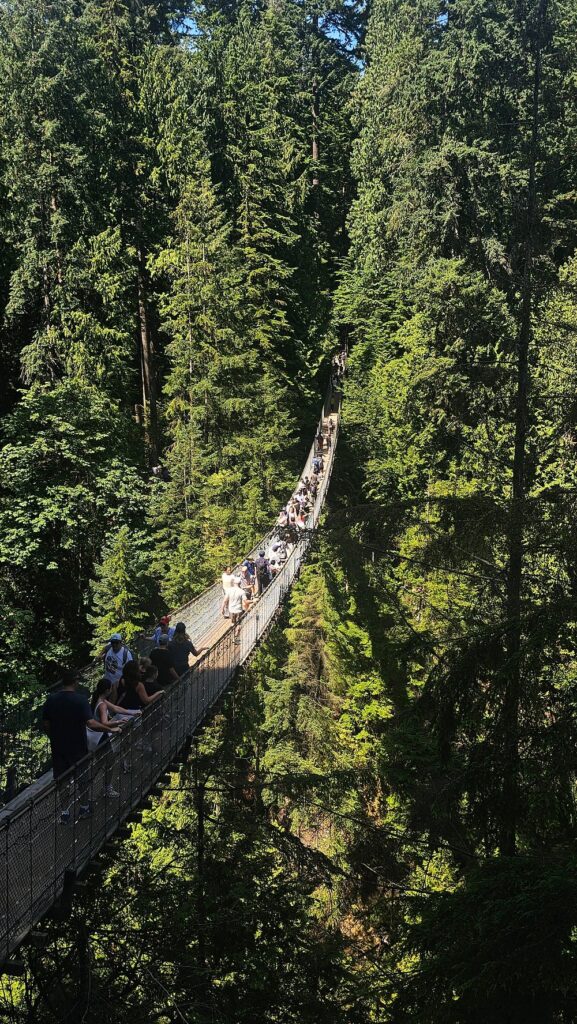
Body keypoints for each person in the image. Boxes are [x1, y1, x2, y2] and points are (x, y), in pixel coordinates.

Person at [42, 670, 122, 821]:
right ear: (75, 682)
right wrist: (110, 729)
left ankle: (65, 813)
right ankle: (84, 808)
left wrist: (53, 737)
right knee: (82, 778)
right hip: (78, 745)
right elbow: (91, 723)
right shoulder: (80, 700)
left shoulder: (51, 699)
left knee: (62, 780)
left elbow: (46, 723)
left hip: (58, 747)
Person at [103, 633, 132, 701]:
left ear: (121, 643)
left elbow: (131, 669)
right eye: (113, 642)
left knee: (113, 702)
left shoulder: (126, 654)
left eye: (116, 642)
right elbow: (105, 648)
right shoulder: (109, 648)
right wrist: (99, 655)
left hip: (117, 685)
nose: (114, 645)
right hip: (107, 681)